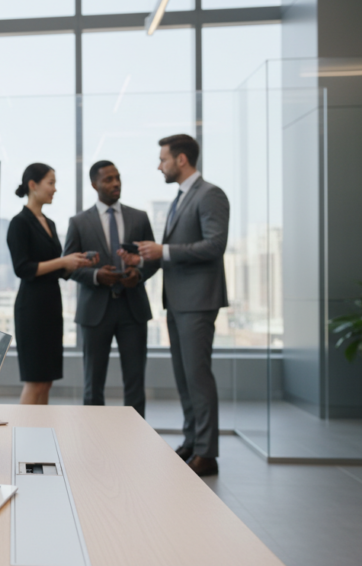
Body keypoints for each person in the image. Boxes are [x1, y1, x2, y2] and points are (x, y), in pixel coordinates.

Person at [119, 134, 229, 477]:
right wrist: (141, 260)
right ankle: (192, 441)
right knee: (184, 376)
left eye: (163, 159)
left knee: (197, 375)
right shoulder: (181, 198)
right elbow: (176, 251)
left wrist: (162, 251)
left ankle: (207, 453)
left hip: (198, 301)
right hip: (178, 300)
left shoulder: (210, 195)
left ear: (181, 160)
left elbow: (214, 245)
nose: (159, 165)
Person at [63, 160, 158, 417]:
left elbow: (153, 259)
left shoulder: (139, 217)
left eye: (117, 178)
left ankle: (136, 441)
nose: (115, 183)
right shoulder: (79, 222)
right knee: (93, 385)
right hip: (95, 312)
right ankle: (93, 440)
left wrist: (137, 274)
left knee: (135, 383)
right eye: (108, 179)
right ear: (94, 185)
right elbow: (68, 267)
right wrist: (95, 276)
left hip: (133, 309)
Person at [7, 163, 97, 405]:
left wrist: (76, 263)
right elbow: (23, 269)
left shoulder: (50, 223)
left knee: (46, 380)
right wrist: (62, 261)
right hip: (32, 308)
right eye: (51, 183)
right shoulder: (19, 223)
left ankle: (37, 435)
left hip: (50, 305)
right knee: (35, 380)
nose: (55, 189)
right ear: (33, 185)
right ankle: (22, 435)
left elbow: (57, 268)